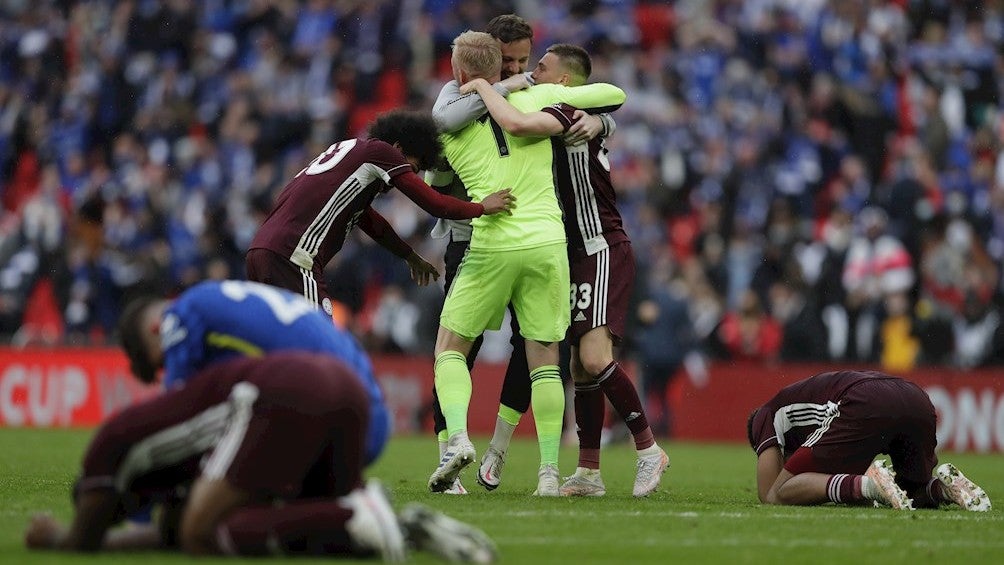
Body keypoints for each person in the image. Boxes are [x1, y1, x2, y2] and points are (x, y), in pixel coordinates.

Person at [24, 352, 498, 563]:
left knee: (200, 533)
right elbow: (160, 533)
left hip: (281, 397)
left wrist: (55, 538)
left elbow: (83, 539)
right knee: (298, 527)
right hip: (338, 386)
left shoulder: (109, 448)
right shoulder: (160, 472)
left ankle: (356, 514)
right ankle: (399, 527)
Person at [462, 43, 669, 497]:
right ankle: (590, 474)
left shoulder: (568, 110)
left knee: (594, 359)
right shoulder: (569, 107)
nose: (533, 70)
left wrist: (480, 85)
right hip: (569, 251)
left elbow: (519, 121)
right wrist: (606, 121)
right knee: (576, 363)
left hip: (600, 247)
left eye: (542, 66)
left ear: (565, 82)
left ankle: (649, 450)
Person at [427, 30, 625, 496]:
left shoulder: (449, 125)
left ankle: (456, 439)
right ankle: (550, 474)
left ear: (458, 74)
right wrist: (593, 118)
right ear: (502, 66)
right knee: (545, 363)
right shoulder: (542, 95)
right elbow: (612, 93)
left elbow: (435, 179)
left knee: (449, 349)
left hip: (491, 243)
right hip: (548, 243)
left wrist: (479, 92)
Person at [245, 109, 514, 317]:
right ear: (398, 148)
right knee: (320, 345)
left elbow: (372, 222)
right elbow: (435, 204)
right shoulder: (381, 152)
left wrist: (409, 255)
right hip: (293, 257)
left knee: (277, 344)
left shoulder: (351, 153)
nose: (411, 174)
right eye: (413, 166)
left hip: (262, 251)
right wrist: (481, 207)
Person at [117, 279, 388, 465]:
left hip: (339, 420)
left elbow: (175, 414)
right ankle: (353, 510)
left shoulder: (178, 316)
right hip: (371, 416)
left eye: (162, 363)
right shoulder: (221, 300)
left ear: (156, 329)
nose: (169, 366)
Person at [747, 369, 991, 511]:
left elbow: (768, 493)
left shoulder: (764, 415)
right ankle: (944, 489)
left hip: (864, 400)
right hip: (915, 397)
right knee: (909, 490)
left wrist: (864, 489)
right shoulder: (816, 420)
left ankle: (869, 484)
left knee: (779, 492)